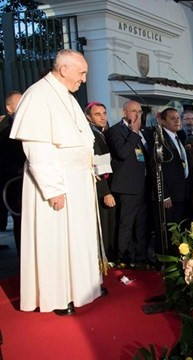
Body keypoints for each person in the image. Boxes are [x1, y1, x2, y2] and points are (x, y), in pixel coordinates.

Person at [10, 49, 103, 315]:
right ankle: (56, 296)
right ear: (64, 70)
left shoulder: (66, 96)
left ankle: (80, 288)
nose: (84, 79)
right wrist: (52, 189)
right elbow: (37, 149)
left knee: (77, 239)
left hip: (77, 181)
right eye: (81, 73)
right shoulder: (38, 95)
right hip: (56, 184)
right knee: (55, 241)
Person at [105, 100, 150, 268]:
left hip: (142, 185)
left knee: (141, 224)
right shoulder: (116, 131)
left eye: (139, 111)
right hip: (127, 186)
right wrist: (133, 132)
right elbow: (122, 153)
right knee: (126, 224)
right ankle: (124, 259)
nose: (137, 114)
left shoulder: (143, 132)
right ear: (124, 112)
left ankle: (141, 258)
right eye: (133, 111)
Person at [86, 102, 117, 261]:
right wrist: (105, 192)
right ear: (88, 117)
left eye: (104, 113)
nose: (103, 117)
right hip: (100, 189)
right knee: (103, 228)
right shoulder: (91, 135)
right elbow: (98, 165)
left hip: (108, 185)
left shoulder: (102, 133)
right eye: (97, 114)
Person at [0, 91, 24, 252]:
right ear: (9, 108)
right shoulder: (4, 130)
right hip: (14, 184)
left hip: (26, 181)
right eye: (19, 104)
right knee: (20, 222)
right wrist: (18, 169)